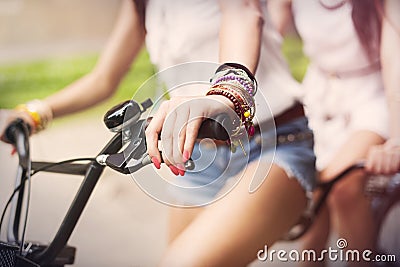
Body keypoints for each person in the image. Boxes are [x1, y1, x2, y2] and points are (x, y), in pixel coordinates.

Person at [1, 0, 317, 266]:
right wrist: (33, 113)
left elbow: (245, 14)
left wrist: (227, 93)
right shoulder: (142, 5)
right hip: (198, 155)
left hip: (273, 142)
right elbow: (104, 77)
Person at [268, 0, 400, 266]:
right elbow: (268, 37)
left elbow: (394, 58)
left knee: (338, 186)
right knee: (309, 194)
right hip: (320, 92)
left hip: (375, 95)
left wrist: (397, 139)